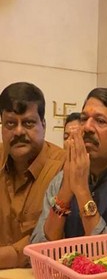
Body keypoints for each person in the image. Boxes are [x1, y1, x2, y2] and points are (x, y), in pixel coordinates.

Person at [31, 88, 107, 242]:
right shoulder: (61, 180)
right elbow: (40, 245)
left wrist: (81, 191)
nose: (87, 127)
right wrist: (66, 190)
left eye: (100, 121)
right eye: (83, 119)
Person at [0, 83, 65, 268]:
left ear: (43, 125)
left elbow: (49, 240)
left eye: (28, 123)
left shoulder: (63, 167)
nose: (19, 131)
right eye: (10, 124)